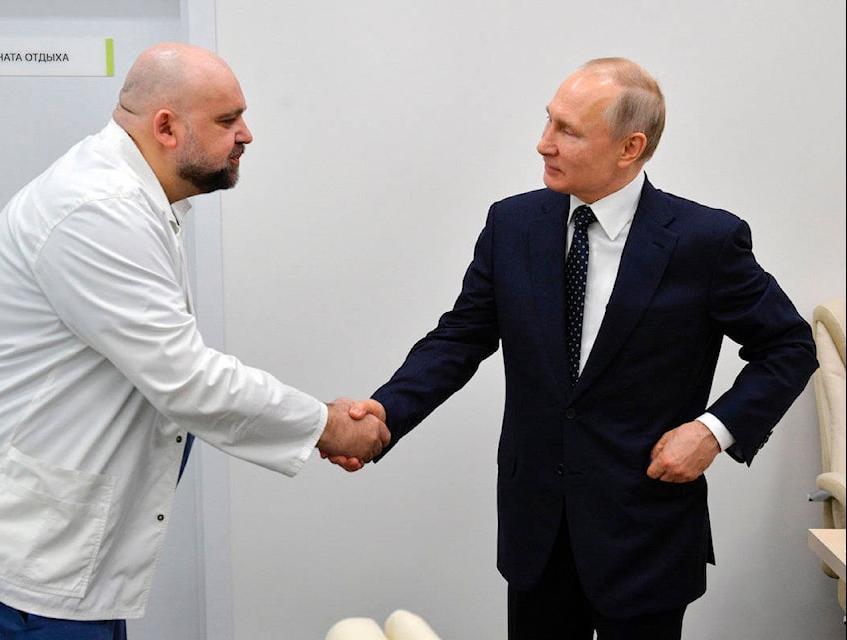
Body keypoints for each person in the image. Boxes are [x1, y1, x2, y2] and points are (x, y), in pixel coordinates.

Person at [0, 42, 389, 640]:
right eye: (228, 120)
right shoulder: (98, 208)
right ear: (166, 127)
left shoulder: (130, 198)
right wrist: (329, 425)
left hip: (47, 547)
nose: (247, 135)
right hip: (20, 562)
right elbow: (187, 379)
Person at [335, 57, 818, 639]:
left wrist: (713, 431)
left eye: (568, 131)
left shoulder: (706, 241)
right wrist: (386, 413)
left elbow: (790, 345)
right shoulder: (513, 224)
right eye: (548, 122)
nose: (543, 144)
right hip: (536, 533)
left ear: (629, 148)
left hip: (645, 535)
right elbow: (460, 337)